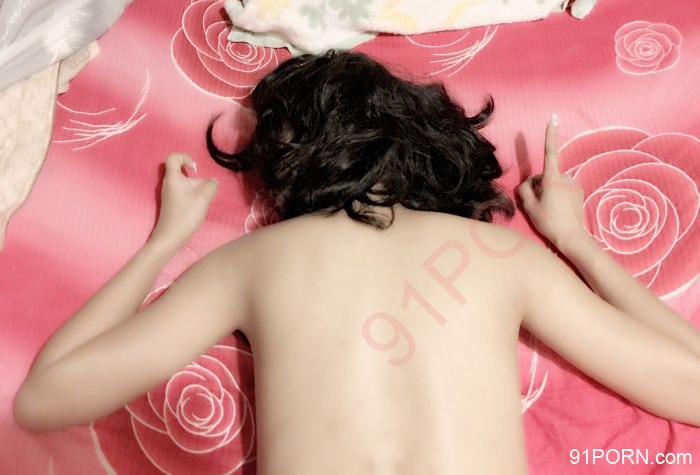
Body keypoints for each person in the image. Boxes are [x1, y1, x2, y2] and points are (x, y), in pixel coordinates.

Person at [13, 51, 700, 475]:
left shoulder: (251, 263)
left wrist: (164, 241)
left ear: (287, 160)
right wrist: (578, 243)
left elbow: (47, 397)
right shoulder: (501, 257)